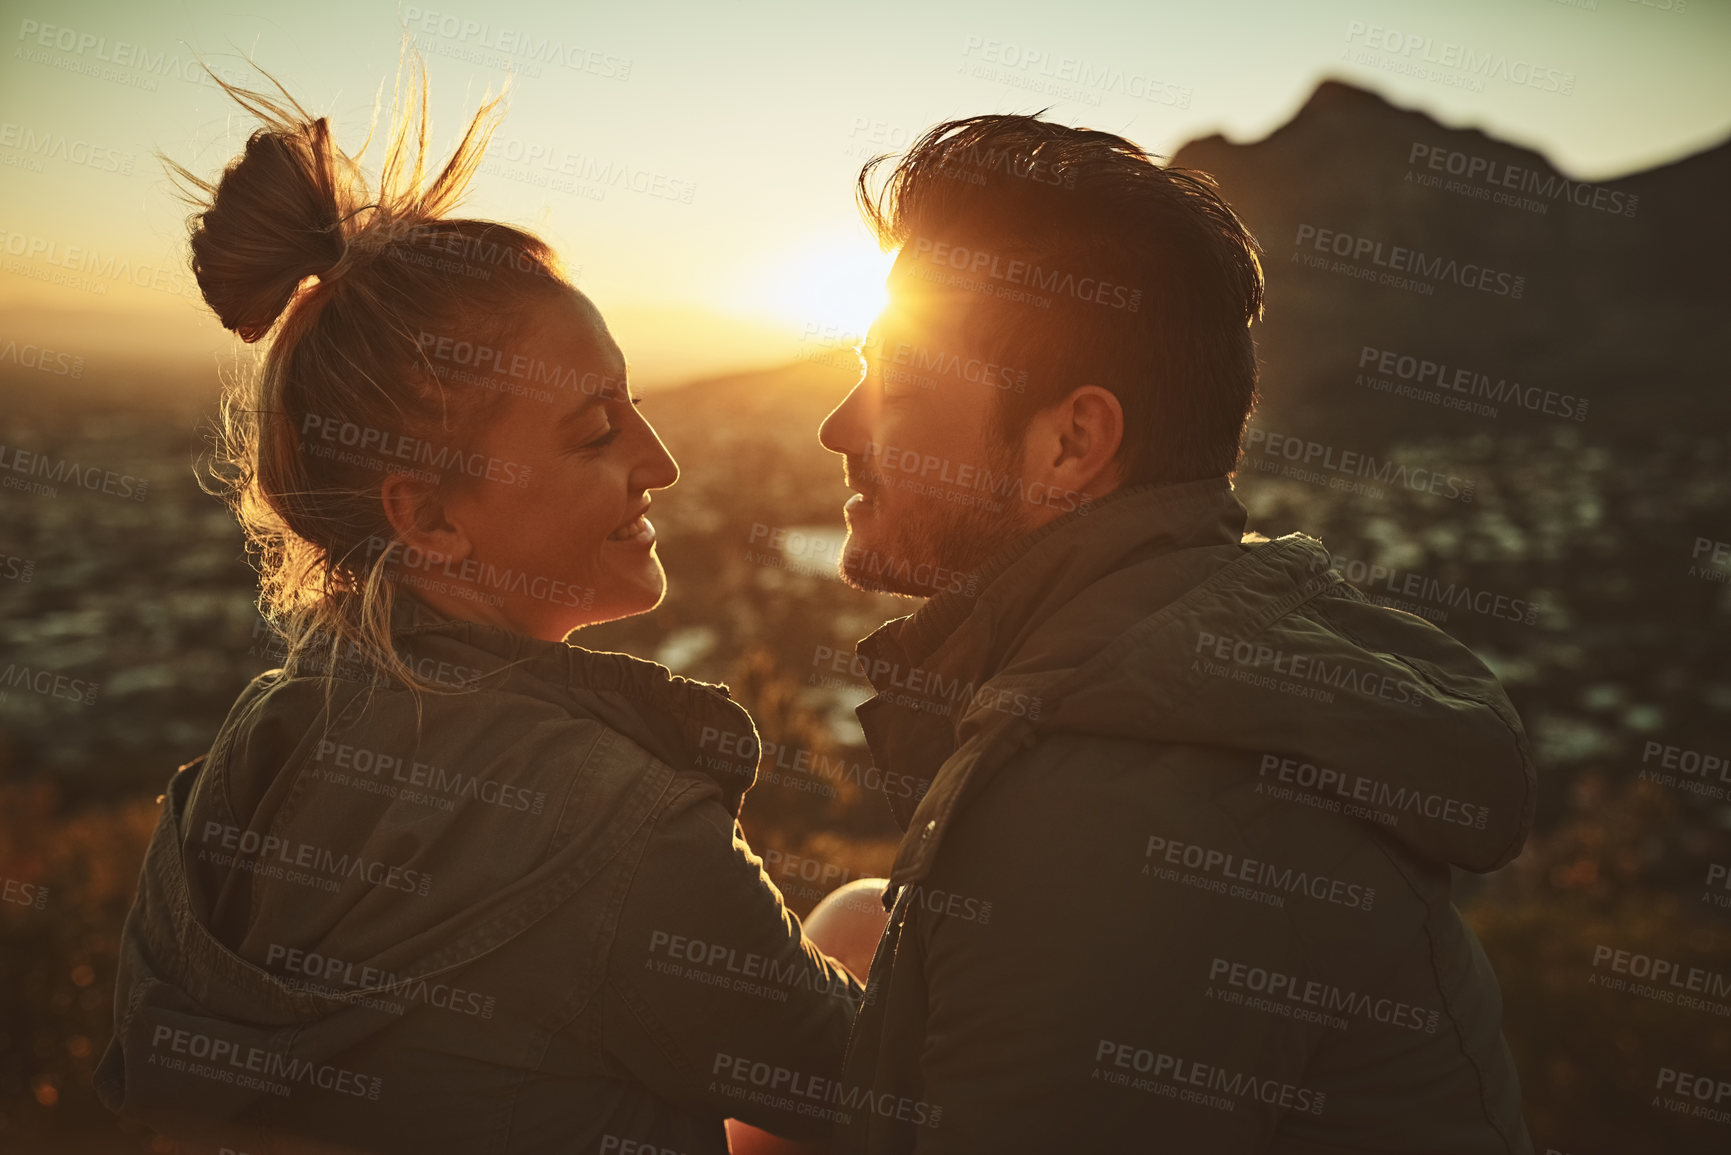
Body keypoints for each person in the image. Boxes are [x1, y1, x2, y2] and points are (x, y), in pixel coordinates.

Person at [95, 65, 883, 1155]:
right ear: (428, 517)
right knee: (874, 921)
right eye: (596, 430)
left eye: (636, 408)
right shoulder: (622, 827)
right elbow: (890, 1096)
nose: (660, 463)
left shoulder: (254, 752)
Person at [817, 114, 1538, 1154]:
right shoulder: (1178, 646)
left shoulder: (1103, 821)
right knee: (857, 920)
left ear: (1072, 443)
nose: (840, 427)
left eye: (901, 388)